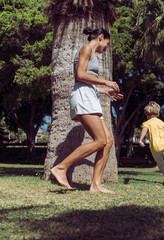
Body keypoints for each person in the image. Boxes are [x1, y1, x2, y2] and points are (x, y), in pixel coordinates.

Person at [50, 28, 123, 193]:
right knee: (100, 141)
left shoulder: (92, 54)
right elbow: (80, 75)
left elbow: (88, 81)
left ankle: (96, 185)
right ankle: (61, 168)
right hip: (83, 97)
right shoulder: (86, 49)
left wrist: (105, 91)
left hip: (90, 96)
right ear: (101, 37)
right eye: (106, 44)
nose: (106, 48)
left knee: (108, 140)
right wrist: (107, 82)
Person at [138, 101, 164, 183]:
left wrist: (140, 140)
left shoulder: (147, 123)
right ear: (158, 114)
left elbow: (144, 129)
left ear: (147, 114)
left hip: (155, 148)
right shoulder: (161, 122)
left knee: (161, 164)